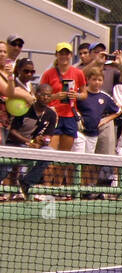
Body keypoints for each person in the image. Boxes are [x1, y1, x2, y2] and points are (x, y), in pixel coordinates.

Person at [41, 42, 86, 187]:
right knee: (49, 153)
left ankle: (58, 187)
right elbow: (41, 96)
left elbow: (84, 94)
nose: (64, 56)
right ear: (56, 55)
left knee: (64, 156)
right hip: (53, 117)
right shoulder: (49, 74)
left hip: (70, 117)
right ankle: (47, 188)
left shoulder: (78, 73)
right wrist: (56, 96)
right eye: (61, 53)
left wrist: (76, 95)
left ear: (71, 55)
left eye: (67, 53)